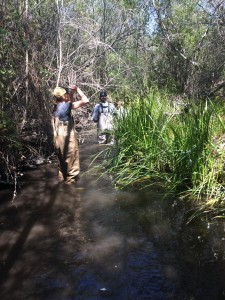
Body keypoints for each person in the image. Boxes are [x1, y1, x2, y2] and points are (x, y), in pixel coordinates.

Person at [52, 85, 89, 184]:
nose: (68, 95)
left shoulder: (55, 107)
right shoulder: (67, 106)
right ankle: (71, 189)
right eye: (66, 94)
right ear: (63, 96)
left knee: (62, 165)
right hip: (67, 140)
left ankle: (61, 185)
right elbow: (86, 100)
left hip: (57, 141)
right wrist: (77, 89)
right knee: (72, 165)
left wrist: (70, 93)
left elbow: (68, 100)